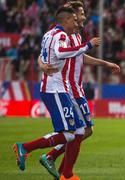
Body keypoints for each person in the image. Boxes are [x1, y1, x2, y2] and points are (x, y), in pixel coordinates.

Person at [13, 6, 100, 180]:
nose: (77, 21)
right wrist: (87, 45)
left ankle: (66, 173)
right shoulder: (61, 36)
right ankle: (26, 147)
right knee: (69, 133)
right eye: (74, 19)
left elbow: (46, 54)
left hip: (60, 88)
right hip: (55, 88)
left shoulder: (48, 34)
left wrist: (42, 64)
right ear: (67, 20)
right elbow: (60, 53)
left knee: (80, 130)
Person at [37, 1, 120, 179]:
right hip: (69, 88)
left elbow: (80, 56)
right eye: (81, 14)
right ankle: (62, 169)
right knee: (78, 131)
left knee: (84, 131)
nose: (83, 17)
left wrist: (104, 63)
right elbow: (51, 51)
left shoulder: (75, 35)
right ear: (72, 17)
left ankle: (58, 165)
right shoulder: (65, 34)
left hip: (76, 87)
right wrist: (42, 65)